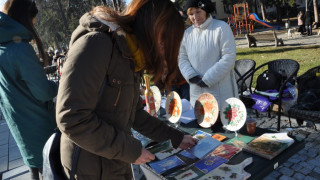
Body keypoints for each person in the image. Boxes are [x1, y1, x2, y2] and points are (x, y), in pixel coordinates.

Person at [56, 0, 198, 179]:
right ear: (152, 29)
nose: (163, 52)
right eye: (164, 44)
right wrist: (131, 150)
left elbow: (135, 114)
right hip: (90, 167)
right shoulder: (97, 44)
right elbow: (71, 118)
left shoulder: (128, 53)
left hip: (113, 159)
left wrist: (176, 137)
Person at [0, 0, 58, 179]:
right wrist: (61, 84)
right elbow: (43, 92)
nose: (33, 27)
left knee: (35, 170)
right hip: (40, 127)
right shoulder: (21, 49)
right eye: (33, 22)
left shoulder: (3, 46)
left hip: (21, 129)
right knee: (53, 170)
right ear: (25, 19)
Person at [178, 0, 238, 108]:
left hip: (220, 92)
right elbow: (182, 58)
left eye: (198, 12)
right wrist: (191, 76)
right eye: (191, 14)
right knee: (199, 121)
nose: (195, 17)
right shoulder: (187, 34)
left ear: (205, 10)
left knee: (221, 122)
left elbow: (228, 56)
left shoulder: (221, 28)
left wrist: (208, 79)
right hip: (197, 93)